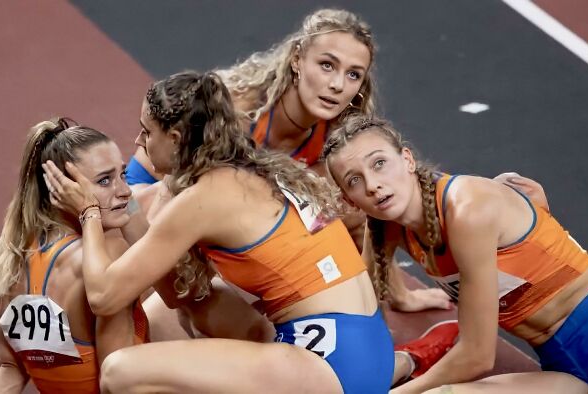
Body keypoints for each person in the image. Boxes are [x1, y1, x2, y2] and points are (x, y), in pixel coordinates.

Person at [43, 70, 395, 393]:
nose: (140, 140)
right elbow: (177, 293)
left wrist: (89, 211)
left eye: (147, 132)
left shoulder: (203, 198)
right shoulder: (251, 170)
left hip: (332, 365)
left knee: (120, 372)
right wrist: (124, 197)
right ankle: (405, 361)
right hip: (368, 348)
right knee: (197, 299)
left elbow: (105, 296)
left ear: (176, 138)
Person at [322, 115, 588, 393]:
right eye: (354, 180)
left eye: (379, 163)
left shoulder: (469, 209)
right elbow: (357, 315)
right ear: (350, 200)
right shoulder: (384, 226)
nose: (373, 184)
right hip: (561, 367)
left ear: (407, 159)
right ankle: (416, 356)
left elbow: (478, 355)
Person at [0, 118, 149, 393]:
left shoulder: (9, 257)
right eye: (105, 180)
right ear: (64, 191)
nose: (125, 190)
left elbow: (8, 368)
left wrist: (110, 196)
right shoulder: (107, 257)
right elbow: (118, 382)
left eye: (123, 174)